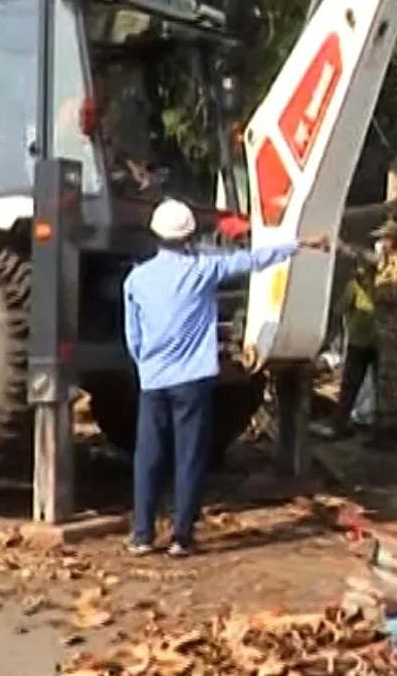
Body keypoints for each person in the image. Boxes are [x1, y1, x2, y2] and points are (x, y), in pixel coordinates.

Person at [124, 198, 330, 557]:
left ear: (155, 234)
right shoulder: (203, 270)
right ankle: (181, 536)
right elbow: (251, 260)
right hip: (191, 379)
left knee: (149, 456)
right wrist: (299, 245)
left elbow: (134, 337)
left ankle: (142, 534)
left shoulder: (136, 279)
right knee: (189, 456)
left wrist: (147, 364)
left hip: (153, 380)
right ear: (189, 236)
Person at [335, 219, 397, 450]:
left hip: (392, 331)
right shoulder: (386, 263)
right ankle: (385, 427)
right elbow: (366, 258)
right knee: (384, 381)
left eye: (383, 239)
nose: (380, 243)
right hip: (384, 332)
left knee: (389, 382)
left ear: (393, 241)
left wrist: (371, 287)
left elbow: (393, 293)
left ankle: (393, 428)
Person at [326, 260, 380, 439]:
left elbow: (339, 309)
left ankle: (339, 424)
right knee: (380, 384)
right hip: (378, 340)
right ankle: (377, 424)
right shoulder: (383, 284)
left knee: (350, 385)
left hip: (359, 341)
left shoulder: (354, 287)